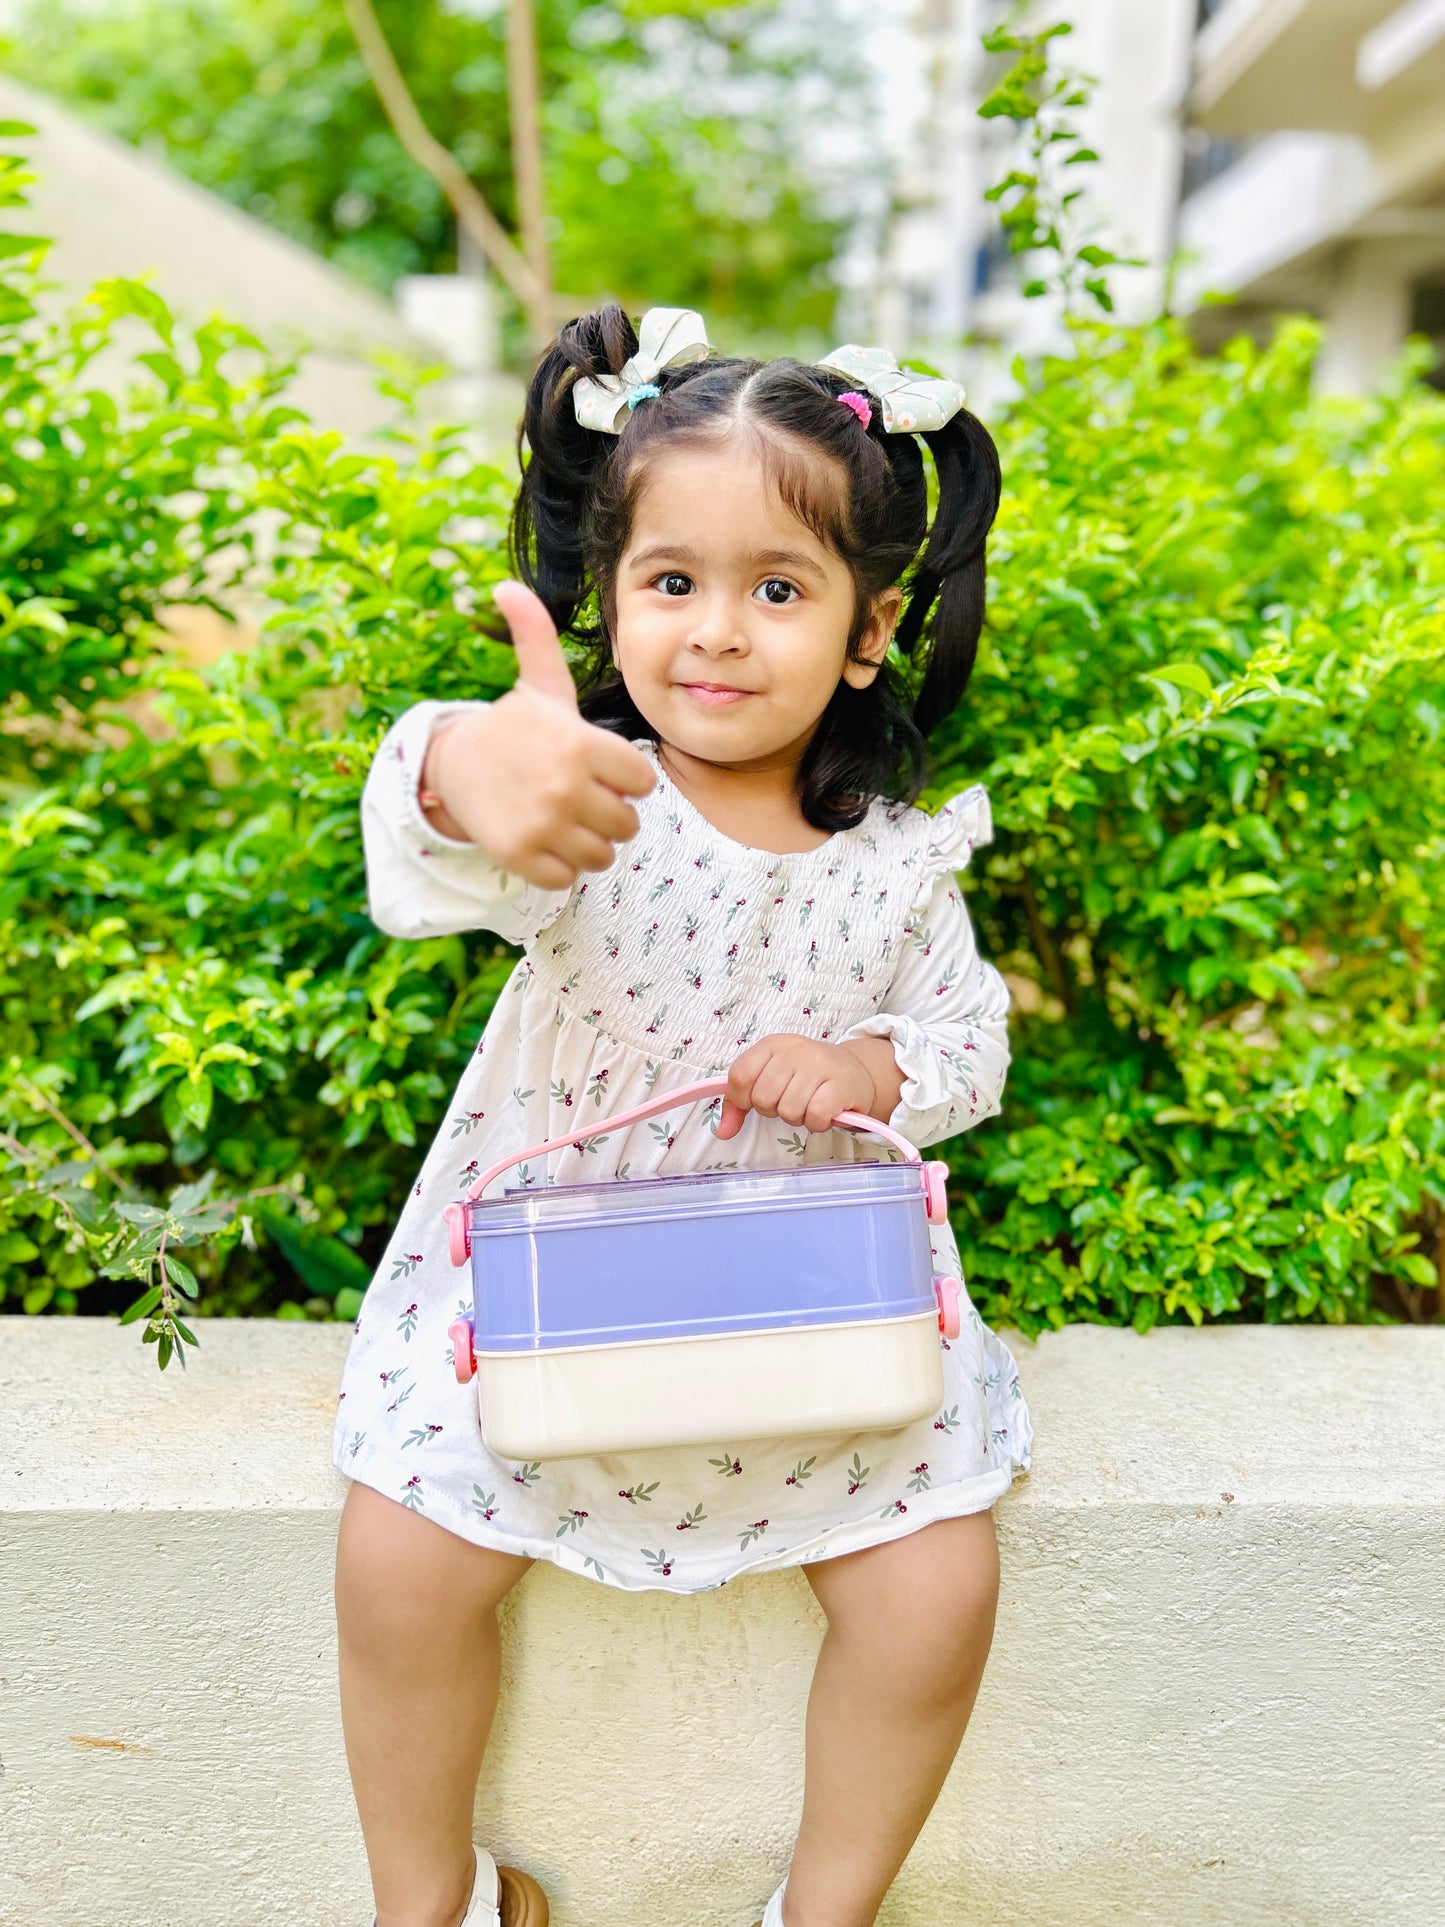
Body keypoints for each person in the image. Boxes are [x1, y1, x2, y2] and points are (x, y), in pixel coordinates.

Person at [331, 303, 1032, 1927]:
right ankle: (421, 1898)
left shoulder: (895, 867)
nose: (716, 631)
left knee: (936, 1588)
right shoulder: (585, 801)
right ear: (610, 597)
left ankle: (824, 1907)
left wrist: (871, 1074)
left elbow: (966, 1044)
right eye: (672, 582)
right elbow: (431, 841)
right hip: (540, 1310)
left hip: (807, 1321)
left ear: (864, 634)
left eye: (777, 590)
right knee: (401, 1562)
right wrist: (459, 766)